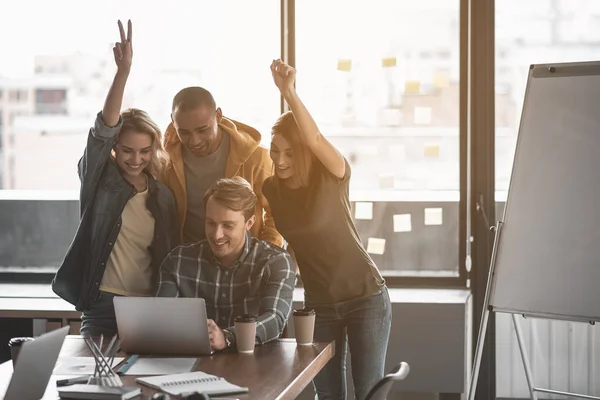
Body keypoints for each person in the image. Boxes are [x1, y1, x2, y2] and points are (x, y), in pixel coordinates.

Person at [262, 59, 392, 400]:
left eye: (290, 152)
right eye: (275, 151)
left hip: (366, 297)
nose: (280, 160)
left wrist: (288, 92)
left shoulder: (332, 175)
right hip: (320, 305)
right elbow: (294, 242)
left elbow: (316, 137)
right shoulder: (271, 189)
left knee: (368, 393)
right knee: (328, 395)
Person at [51, 20, 179, 337]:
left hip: (148, 307)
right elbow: (103, 130)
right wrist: (123, 73)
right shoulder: (100, 181)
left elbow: (170, 257)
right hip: (102, 305)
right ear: (113, 151)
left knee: (145, 384)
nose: (136, 159)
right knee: (94, 383)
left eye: (145, 151)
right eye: (126, 151)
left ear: (154, 149)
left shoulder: (162, 196)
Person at [156, 177, 295, 351]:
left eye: (228, 225)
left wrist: (228, 336)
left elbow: (274, 319)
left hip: (258, 366)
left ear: (249, 223)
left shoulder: (275, 262)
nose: (216, 235)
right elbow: (161, 320)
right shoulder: (178, 261)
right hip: (193, 367)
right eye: (210, 223)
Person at [160, 86, 282, 247]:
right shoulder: (166, 159)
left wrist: (265, 254)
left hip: (244, 263)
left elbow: (277, 214)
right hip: (188, 263)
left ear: (218, 116)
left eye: (202, 130)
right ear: (172, 121)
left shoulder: (255, 158)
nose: (194, 141)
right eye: (184, 132)